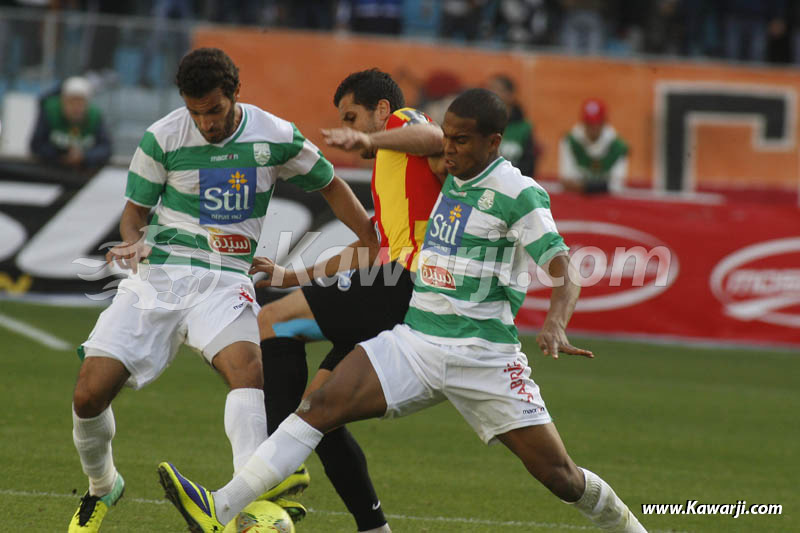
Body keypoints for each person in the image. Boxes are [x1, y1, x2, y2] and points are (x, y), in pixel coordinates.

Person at [158, 88, 648, 533]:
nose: (448, 149)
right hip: (416, 341)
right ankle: (221, 508)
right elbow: (395, 208)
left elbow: (565, 267)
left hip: (483, 357)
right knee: (319, 406)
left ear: (494, 142)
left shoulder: (517, 193)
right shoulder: (443, 172)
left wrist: (556, 322)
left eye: (460, 141)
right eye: (446, 139)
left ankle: (629, 527)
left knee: (560, 477)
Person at [67, 48, 376, 533]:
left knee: (248, 370)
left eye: (213, 110)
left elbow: (330, 183)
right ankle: (103, 485)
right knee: (88, 396)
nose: (205, 123)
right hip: (161, 276)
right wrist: (132, 244)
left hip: (226, 277)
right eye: (195, 112)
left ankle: (246, 503)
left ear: (235, 93)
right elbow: (135, 214)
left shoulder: (274, 135)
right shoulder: (162, 137)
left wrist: (367, 235)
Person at [255, 68, 444, 533]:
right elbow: (366, 248)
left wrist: (372, 140)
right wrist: (290, 274)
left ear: (381, 110)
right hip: (395, 279)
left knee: (272, 322)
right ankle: (373, 527)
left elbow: (435, 135)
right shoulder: (393, 169)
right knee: (320, 409)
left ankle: (279, 466)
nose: (352, 127)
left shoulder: (401, 122)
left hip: (406, 282)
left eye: (353, 116)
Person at [29, 76, 112, 173]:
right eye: (72, 102)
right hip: (50, 172)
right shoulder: (50, 112)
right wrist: (60, 155)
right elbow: (36, 144)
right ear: (63, 101)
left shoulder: (95, 116)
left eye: (80, 102)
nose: (76, 108)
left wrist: (84, 156)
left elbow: (106, 148)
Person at [559, 97, 629, 194]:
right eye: (589, 123)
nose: (592, 127)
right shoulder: (571, 142)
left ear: (604, 122)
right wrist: (601, 186)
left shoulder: (617, 147)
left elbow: (617, 185)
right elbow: (567, 180)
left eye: (596, 123)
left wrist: (585, 187)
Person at [486, 74, 539, 177]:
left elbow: (529, 166)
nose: (491, 94)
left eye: (497, 89)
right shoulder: (481, 124)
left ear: (511, 95)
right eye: (489, 89)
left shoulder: (524, 128)